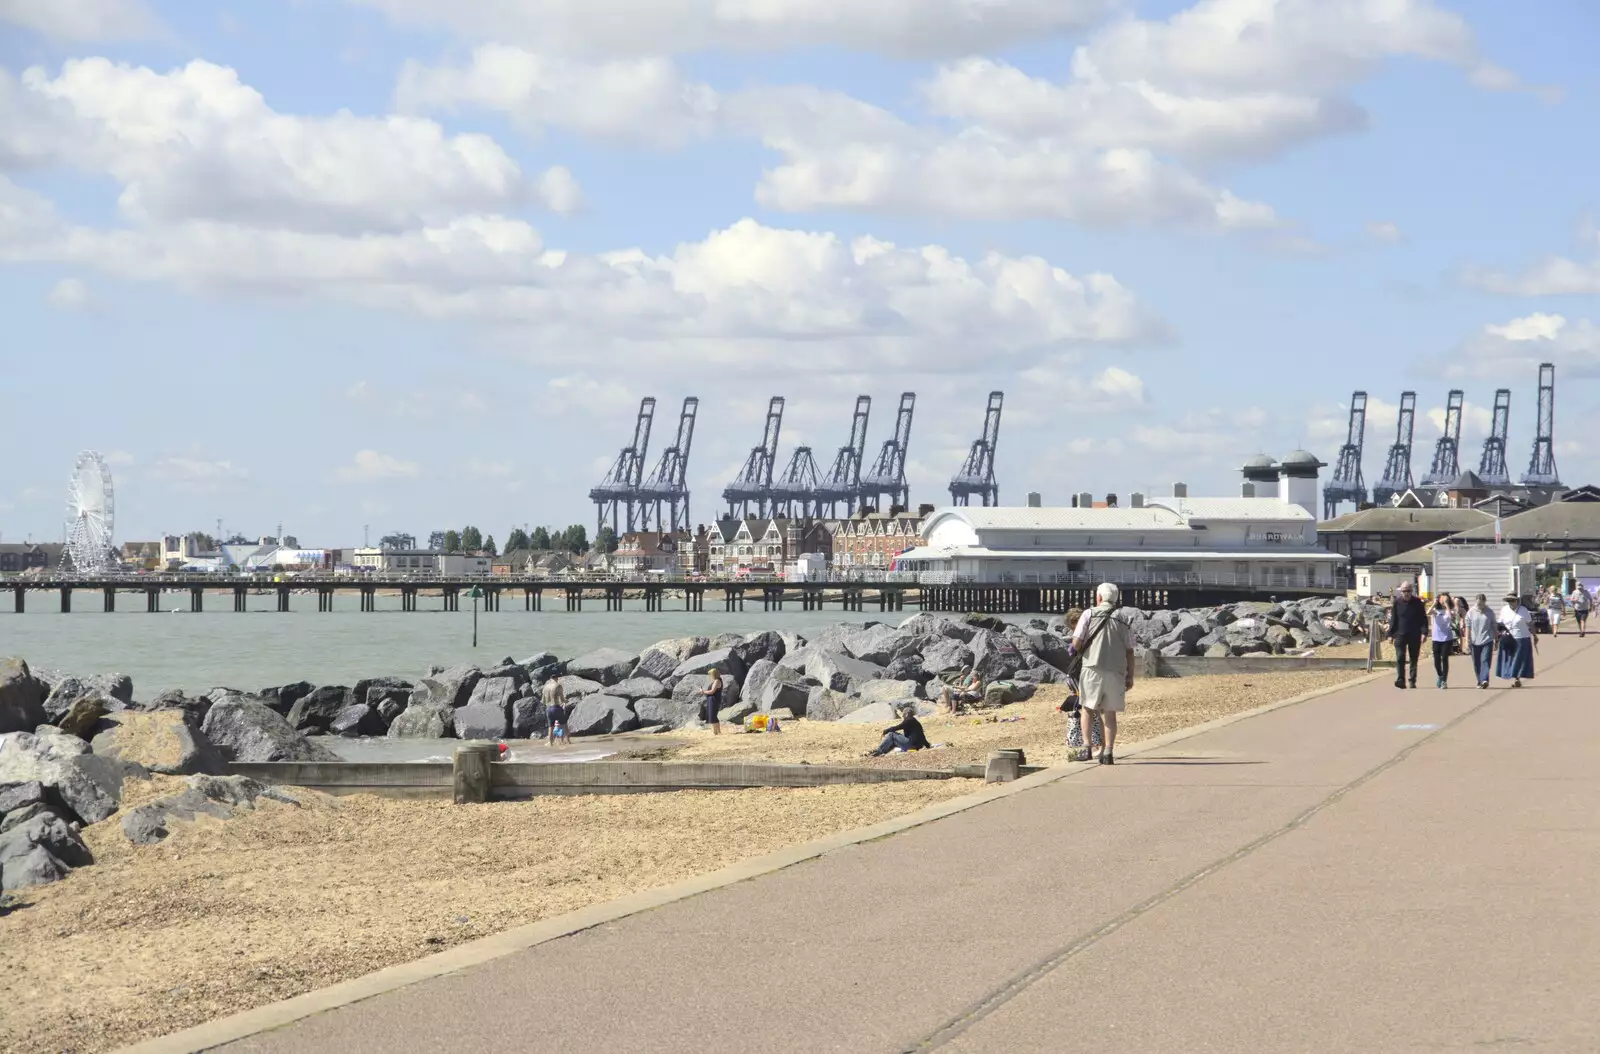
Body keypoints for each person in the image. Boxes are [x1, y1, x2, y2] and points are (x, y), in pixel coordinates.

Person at [1071, 582, 1134, 765]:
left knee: (1088, 709)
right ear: (1115, 599)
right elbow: (1130, 650)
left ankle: (1086, 748)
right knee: (1110, 713)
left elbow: (1076, 643)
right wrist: (1130, 675)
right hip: (1116, 671)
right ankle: (1108, 752)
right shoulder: (1124, 618)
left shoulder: (1088, 614)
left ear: (1098, 598)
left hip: (1092, 668)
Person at [1387, 581, 1428, 689]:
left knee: (1413, 658)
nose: (1406, 593)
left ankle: (1412, 680)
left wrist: (1424, 632)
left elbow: (1423, 619)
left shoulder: (1418, 602)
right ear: (1401, 592)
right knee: (1400, 656)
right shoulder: (1397, 602)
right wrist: (1390, 634)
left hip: (1414, 634)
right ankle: (1401, 679)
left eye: (1408, 591)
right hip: (1400, 634)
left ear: (1411, 591)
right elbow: (1393, 619)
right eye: (1404, 591)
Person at [1496, 593, 1536, 688]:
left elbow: (1530, 623)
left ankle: (1516, 678)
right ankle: (1512, 676)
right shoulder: (1504, 610)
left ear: (1517, 601)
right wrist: (1498, 635)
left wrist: (1534, 635)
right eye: (1509, 601)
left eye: (1513, 600)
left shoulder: (1523, 610)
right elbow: (1500, 624)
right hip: (1508, 638)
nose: (1511, 603)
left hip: (1522, 638)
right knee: (1509, 659)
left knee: (1518, 660)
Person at [1465, 593, 1496, 689]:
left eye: (1482, 604)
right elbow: (1468, 627)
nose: (1481, 606)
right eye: (1479, 604)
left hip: (1487, 640)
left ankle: (1484, 679)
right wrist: (1467, 640)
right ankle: (1479, 681)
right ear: (1476, 602)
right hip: (1474, 641)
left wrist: (1496, 638)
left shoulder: (1490, 612)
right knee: (1476, 663)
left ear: (1485, 602)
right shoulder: (1470, 612)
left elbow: (1494, 626)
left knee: (1485, 660)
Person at [1428, 596, 1454, 688]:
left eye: (1446, 600)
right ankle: (1440, 675)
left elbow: (1450, 617)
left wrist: (1447, 605)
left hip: (1446, 639)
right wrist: (1434, 603)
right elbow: (1428, 612)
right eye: (1443, 600)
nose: (1444, 602)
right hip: (1436, 639)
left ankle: (1444, 681)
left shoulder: (1449, 611)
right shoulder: (1436, 611)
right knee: (1436, 661)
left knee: (1444, 659)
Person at [541, 676, 568, 746]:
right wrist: (566, 701)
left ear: (550, 679)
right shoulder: (558, 685)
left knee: (551, 727)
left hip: (548, 709)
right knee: (563, 725)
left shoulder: (545, 687)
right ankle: (565, 741)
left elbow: (543, 701)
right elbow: (562, 699)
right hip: (556, 707)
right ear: (557, 678)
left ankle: (550, 743)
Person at [703, 667, 724, 735]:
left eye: (710, 674)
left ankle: (715, 732)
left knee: (713, 715)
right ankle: (718, 731)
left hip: (714, 699)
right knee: (713, 715)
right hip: (712, 699)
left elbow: (712, 691)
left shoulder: (717, 681)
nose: (709, 676)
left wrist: (703, 692)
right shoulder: (716, 680)